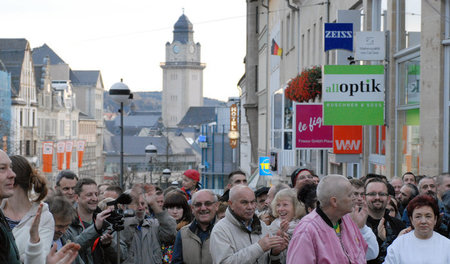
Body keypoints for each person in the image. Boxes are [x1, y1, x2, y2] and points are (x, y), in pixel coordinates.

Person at [286, 175, 368, 264]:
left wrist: (362, 228)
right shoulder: (307, 230)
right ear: (334, 201)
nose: (354, 198)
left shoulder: (346, 219)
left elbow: (365, 254)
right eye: (349, 195)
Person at [210, 185, 288, 264]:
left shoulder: (262, 226)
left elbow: (272, 260)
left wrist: (275, 253)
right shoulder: (220, 230)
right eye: (244, 202)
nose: (250, 207)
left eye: (253, 202)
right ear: (231, 204)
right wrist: (259, 248)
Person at [1, 155, 55, 264]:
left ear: (14, 180)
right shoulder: (1, 212)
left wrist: (34, 242)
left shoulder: (43, 216)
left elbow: (41, 260)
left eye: (10, 168)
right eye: (3, 168)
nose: (10, 173)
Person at [65, 178, 127, 264]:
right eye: (89, 195)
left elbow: (122, 256)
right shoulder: (67, 224)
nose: (94, 198)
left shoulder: (107, 223)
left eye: (96, 194)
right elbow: (68, 251)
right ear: (77, 197)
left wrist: (109, 244)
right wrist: (95, 229)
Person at [384, 195, 450, 263]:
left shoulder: (447, 245)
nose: (423, 221)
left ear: (435, 219)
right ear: (411, 219)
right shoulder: (398, 244)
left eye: (428, 216)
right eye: (418, 216)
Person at [122, 185, 177, 264]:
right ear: (124, 206)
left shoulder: (153, 225)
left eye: (142, 203)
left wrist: (154, 204)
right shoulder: (118, 228)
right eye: (136, 203)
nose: (140, 207)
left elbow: (170, 234)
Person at [363, 178, 405, 264]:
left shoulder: (399, 226)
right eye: (372, 194)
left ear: (388, 198)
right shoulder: (355, 225)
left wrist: (387, 241)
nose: (377, 197)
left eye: (381, 194)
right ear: (364, 198)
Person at [172, 189, 219, 264]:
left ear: (216, 206)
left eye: (208, 203)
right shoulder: (182, 233)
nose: (203, 208)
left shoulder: (226, 231)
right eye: (198, 205)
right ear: (192, 209)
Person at [268, 189, 306, 263]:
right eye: (278, 205)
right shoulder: (271, 228)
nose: (280, 209)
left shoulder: (304, 227)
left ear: (295, 207)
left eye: (285, 205)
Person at [161, 191, 193, 263]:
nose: (175, 211)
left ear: (184, 210)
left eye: (178, 208)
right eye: (171, 208)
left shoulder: (191, 228)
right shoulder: (159, 226)